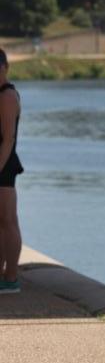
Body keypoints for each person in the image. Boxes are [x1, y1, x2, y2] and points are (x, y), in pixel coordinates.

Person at [0, 48, 24, 294]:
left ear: (5, 68)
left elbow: (8, 138)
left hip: (4, 164)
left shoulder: (7, 96)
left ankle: (11, 277)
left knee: (8, 220)